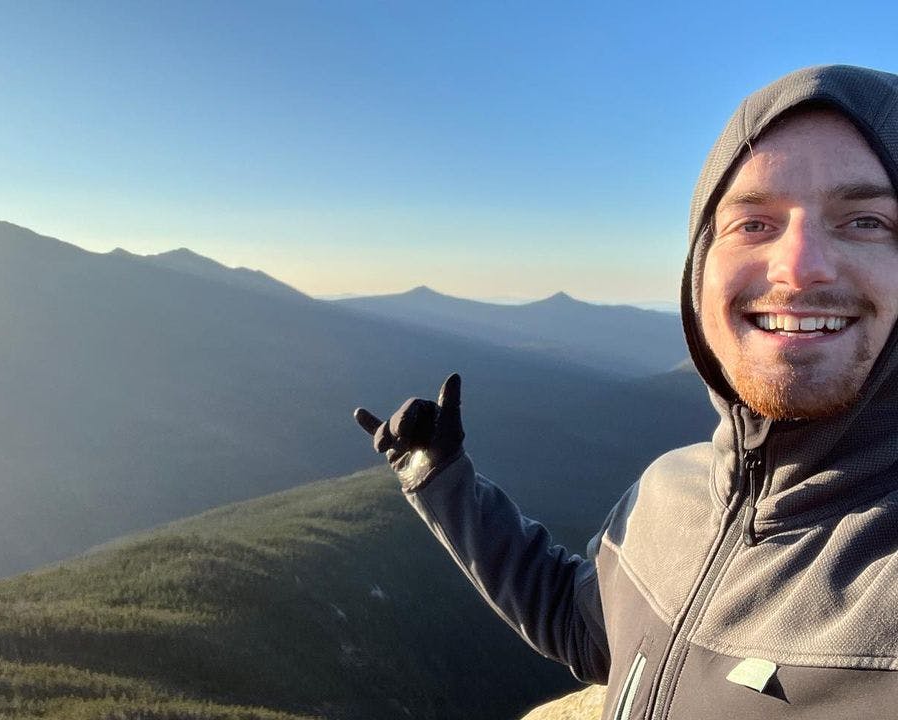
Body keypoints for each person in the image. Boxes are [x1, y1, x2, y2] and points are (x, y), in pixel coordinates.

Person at [354, 64, 898, 719]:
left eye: (866, 220)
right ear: (699, 269)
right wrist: (441, 482)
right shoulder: (667, 493)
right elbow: (585, 626)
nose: (800, 264)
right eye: (753, 223)